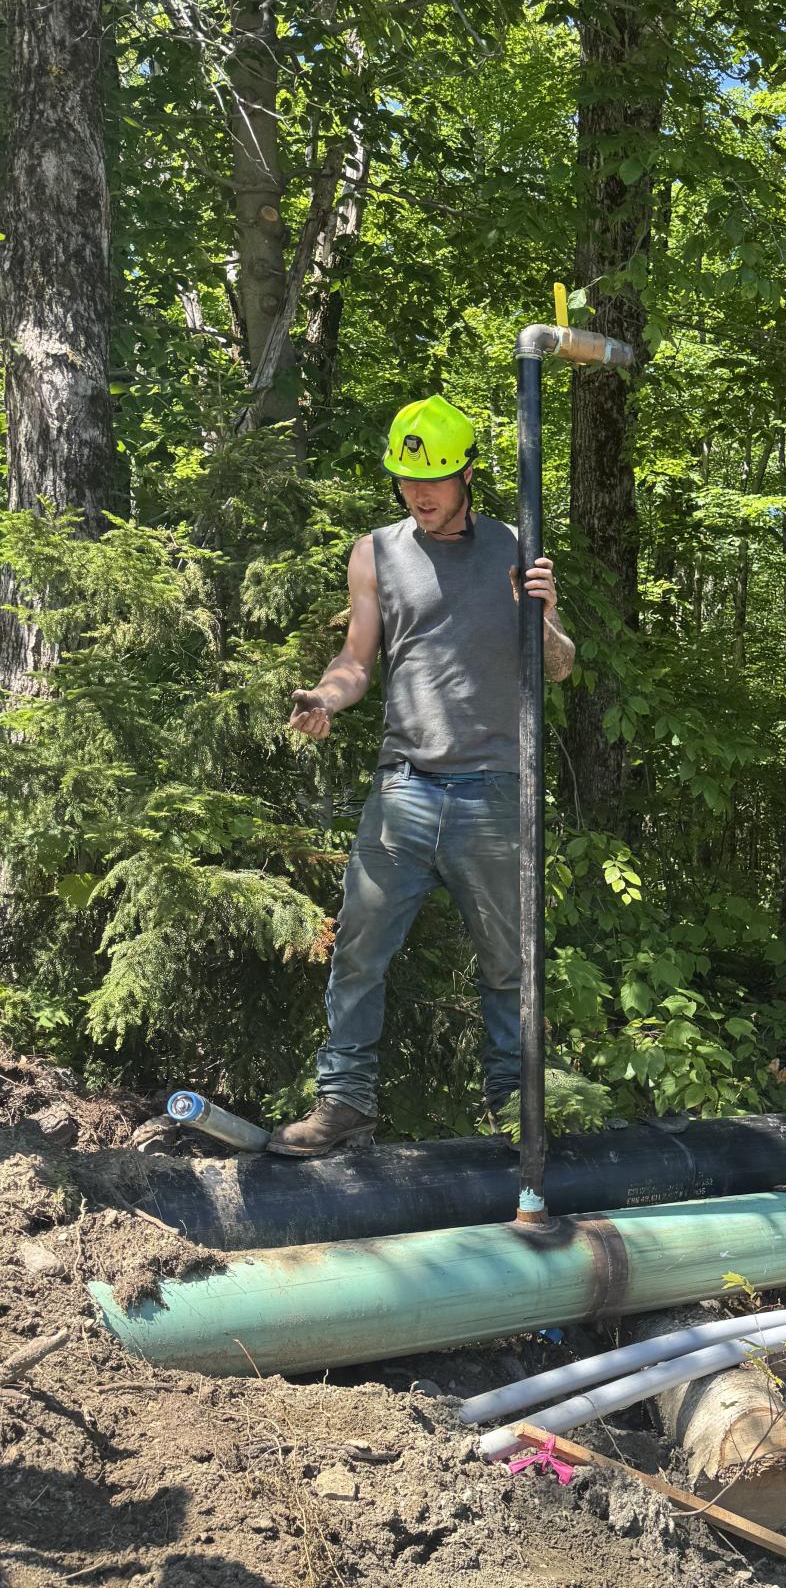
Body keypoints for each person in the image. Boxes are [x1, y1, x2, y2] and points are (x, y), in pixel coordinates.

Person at [268, 395, 571, 1156]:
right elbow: (355, 660)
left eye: (430, 482)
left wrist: (544, 619)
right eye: (405, 481)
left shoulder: (516, 545)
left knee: (510, 966)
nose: (417, 496)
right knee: (358, 956)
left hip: (496, 792)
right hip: (403, 787)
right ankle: (343, 1106)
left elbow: (561, 666)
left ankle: (517, 1113)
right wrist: (325, 699)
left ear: (468, 472)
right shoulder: (375, 551)